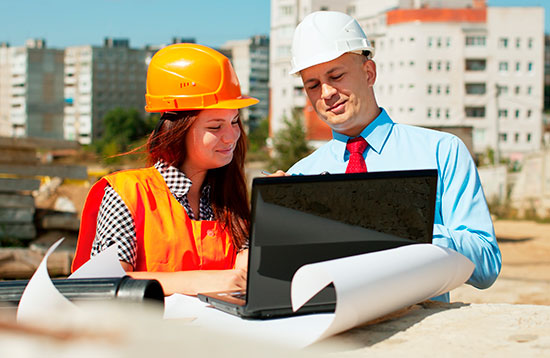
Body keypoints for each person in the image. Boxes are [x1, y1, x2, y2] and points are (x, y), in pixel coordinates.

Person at [284, 11, 501, 302]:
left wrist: (406, 228)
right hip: (334, 339)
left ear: (369, 72)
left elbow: (486, 266)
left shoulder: (441, 151)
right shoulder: (299, 177)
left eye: (336, 76)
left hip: (413, 339)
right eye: (312, 84)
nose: (326, 93)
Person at [72, 43, 259, 296]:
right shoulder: (127, 195)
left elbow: (245, 278)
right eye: (215, 127)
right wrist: (203, 283)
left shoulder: (229, 199)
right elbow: (104, 284)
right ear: (177, 131)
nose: (231, 136)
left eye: (235, 121)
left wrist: (271, 217)